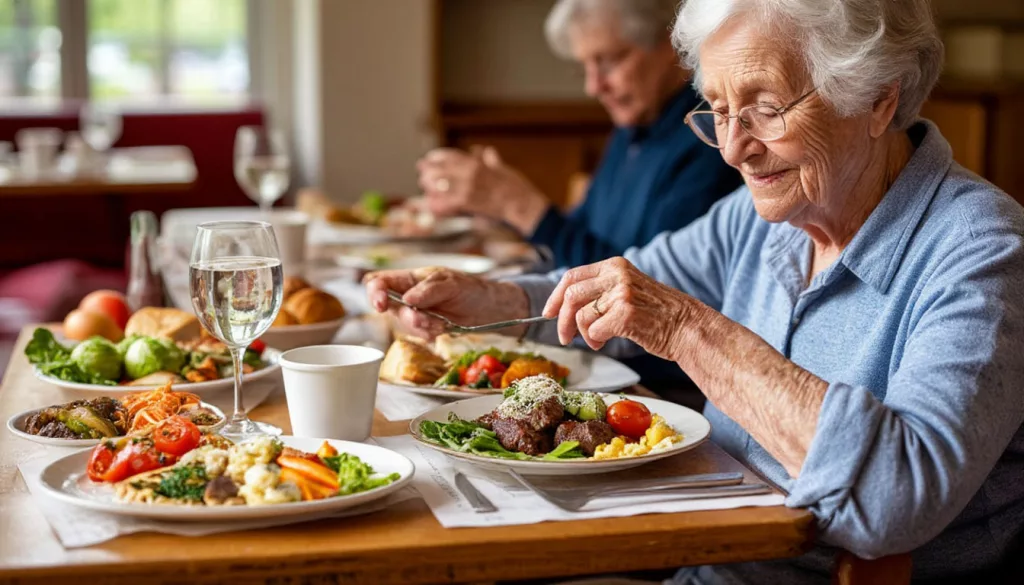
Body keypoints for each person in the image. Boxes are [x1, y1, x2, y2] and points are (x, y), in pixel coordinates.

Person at [368, 0, 1024, 582]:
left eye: (766, 108)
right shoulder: (763, 213)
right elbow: (621, 281)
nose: (735, 148)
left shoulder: (983, 252)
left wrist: (688, 330)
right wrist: (491, 301)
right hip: (697, 557)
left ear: (878, 96)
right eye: (717, 110)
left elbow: (896, 497)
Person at [417, 0, 741, 270]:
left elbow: (648, 289)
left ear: (669, 43)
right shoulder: (632, 129)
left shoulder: (709, 137)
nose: (593, 86)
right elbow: (582, 235)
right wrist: (493, 210)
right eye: (584, 66)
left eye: (609, 61)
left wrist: (518, 205)